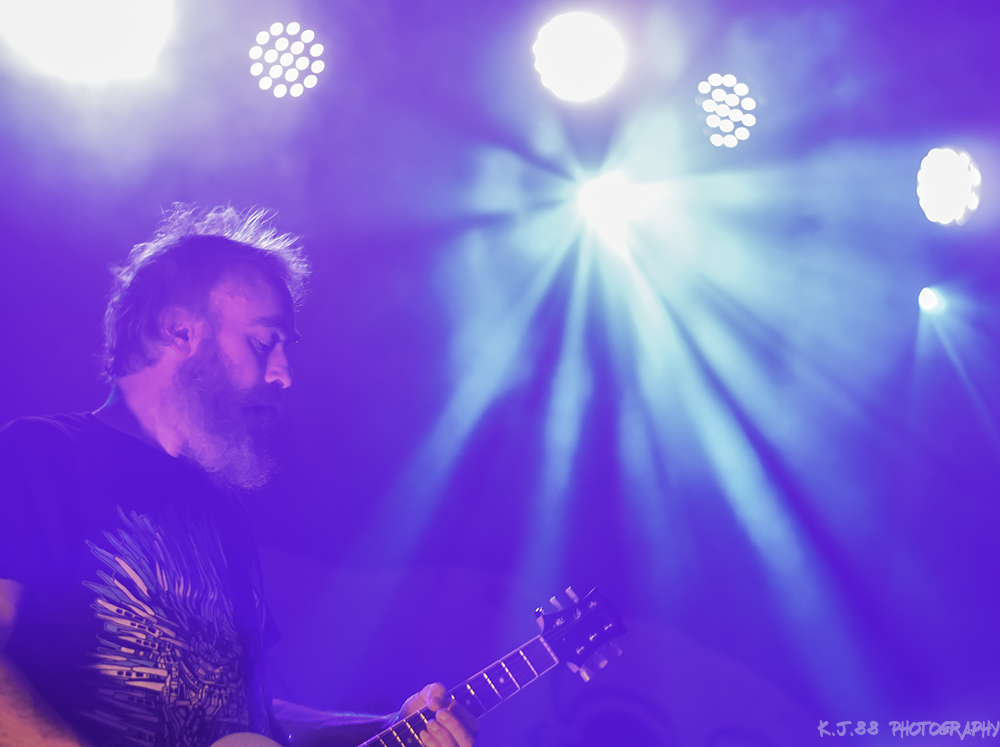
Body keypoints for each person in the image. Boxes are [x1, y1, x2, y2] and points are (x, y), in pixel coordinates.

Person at [0, 206, 478, 747]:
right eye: (263, 341)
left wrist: (390, 728)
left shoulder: (222, 513)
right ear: (179, 330)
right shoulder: (38, 454)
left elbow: (250, 722)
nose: (283, 375)